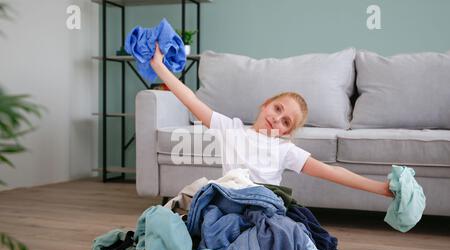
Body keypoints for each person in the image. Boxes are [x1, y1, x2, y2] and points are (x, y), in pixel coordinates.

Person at [150, 43, 393, 198]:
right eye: (277, 109)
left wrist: (381, 188)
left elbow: (332, 172)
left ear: (287, 133)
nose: (276, 119)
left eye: (286, 121)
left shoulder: (284, 149)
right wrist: (159, 66)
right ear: (265, 104)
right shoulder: (230, 129)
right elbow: (190, 99)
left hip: (262, 205)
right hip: (230, 200)